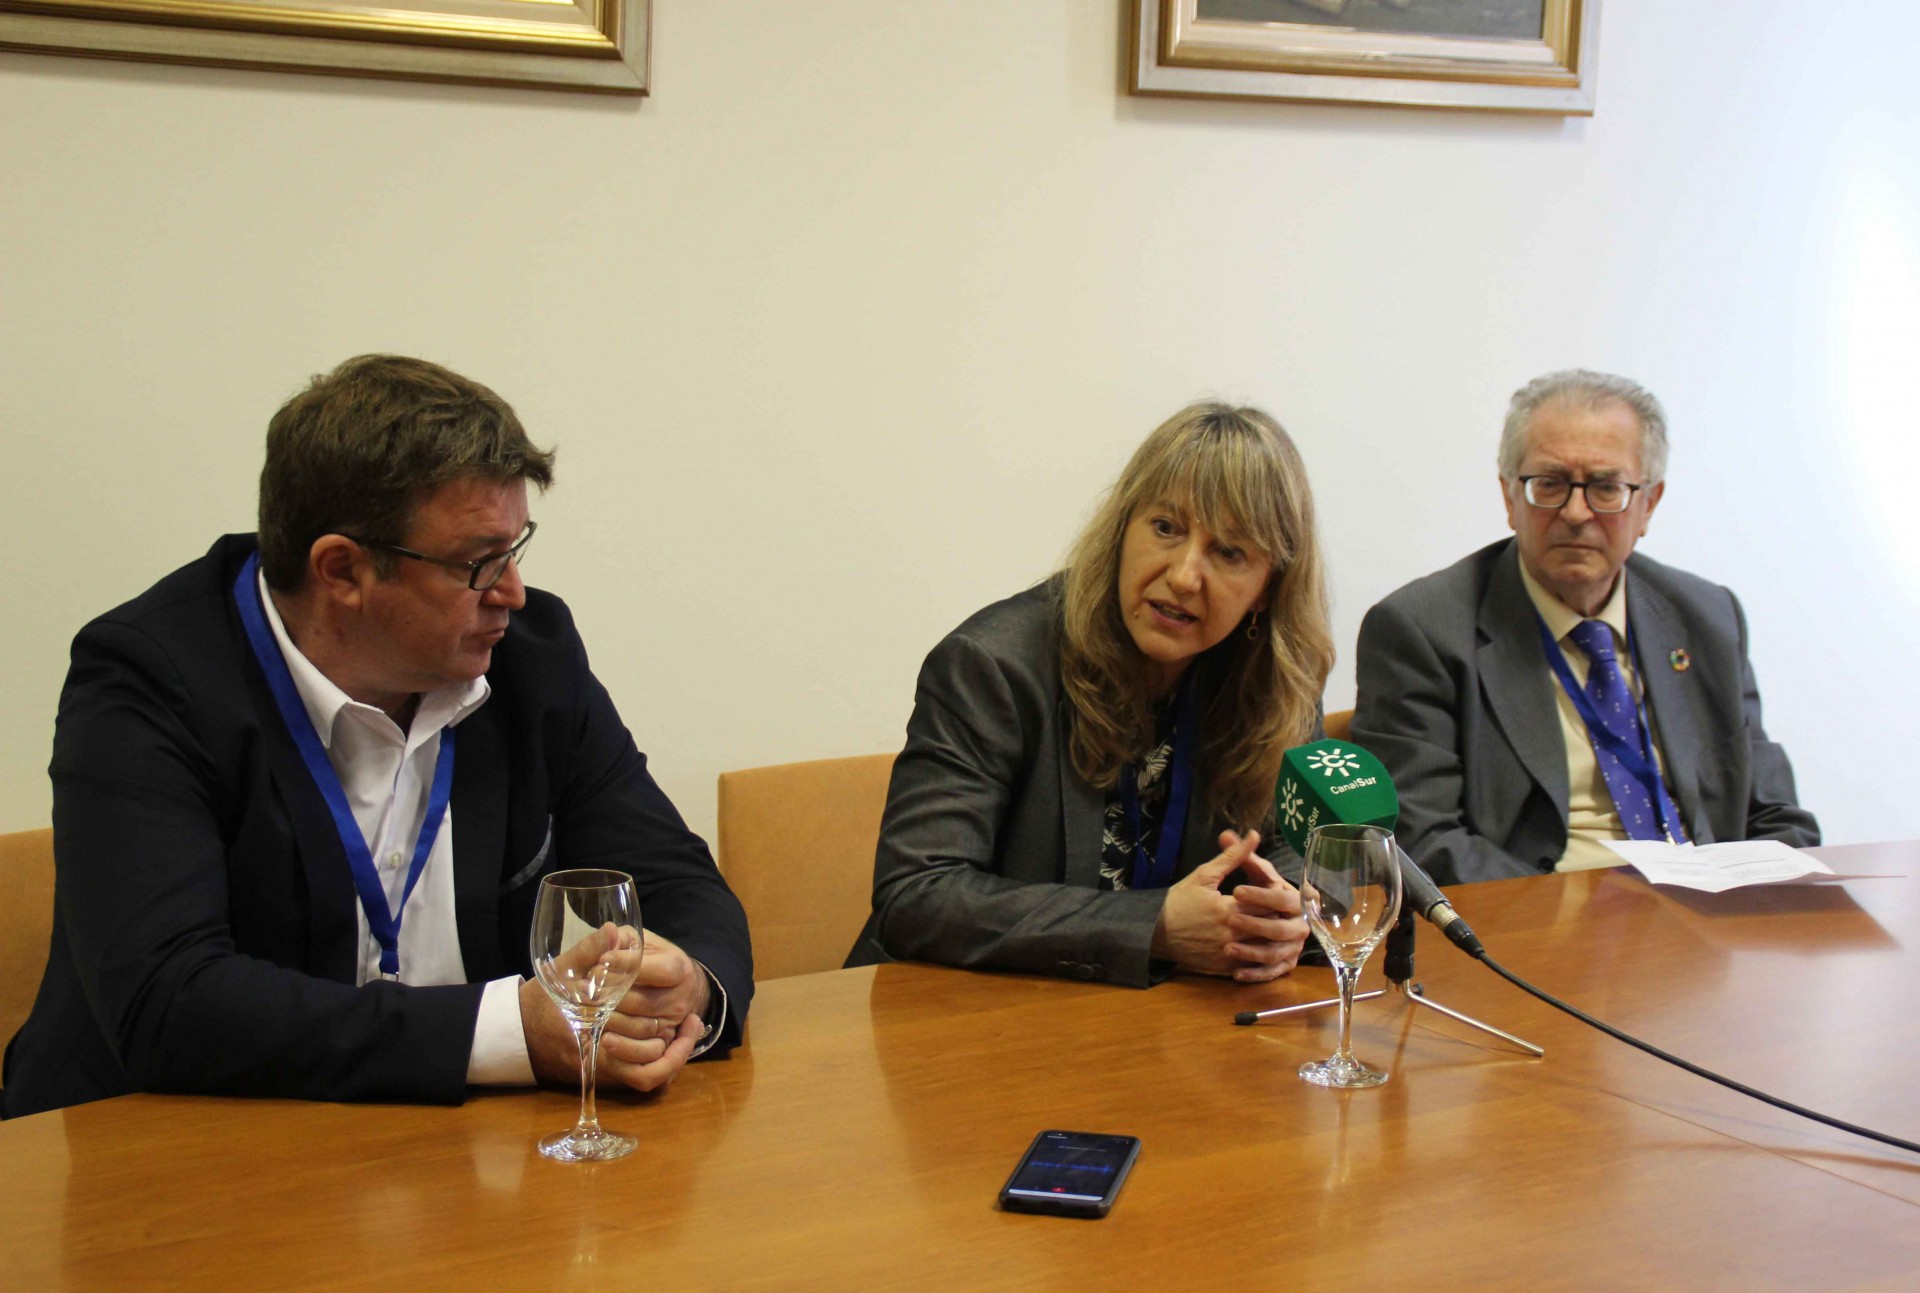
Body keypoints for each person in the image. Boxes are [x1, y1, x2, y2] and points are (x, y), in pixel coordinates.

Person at [2, 355, 752, 1119]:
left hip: (461, 1148)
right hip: (170, 1146)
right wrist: (510, 1031)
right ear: (341, 571)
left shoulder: (532, 657)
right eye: (478, 562)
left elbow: (679, 884)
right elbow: (169, 999)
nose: (512, 591)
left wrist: (689, 983)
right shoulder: (148, 682)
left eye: (515, 547)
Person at [846, 402, 1335, 987]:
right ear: (1123, 528)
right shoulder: (992, 666)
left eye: (1229, 552)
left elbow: (1302, 851)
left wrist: (1288, 912)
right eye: (1166, 528)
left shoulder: (1278, 681)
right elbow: (917, 894)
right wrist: (1152, 927)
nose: (1184, 575)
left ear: (1267, 589)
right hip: (963, 1011)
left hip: (1161, 1017)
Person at [1352, 369, 1819, 887]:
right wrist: (1584, 916)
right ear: (1510, 497)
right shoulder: (1422, 630)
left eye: (1606, 487)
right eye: (1550, 484)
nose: (1576, 513)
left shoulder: (1706, 617)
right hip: (1543, 911)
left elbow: (1773, 814)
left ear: (1648, 504)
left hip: (1707, 908)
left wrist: (1772, 899)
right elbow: (1424, 840)